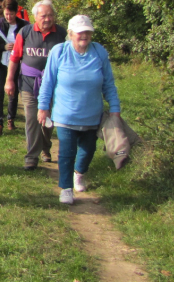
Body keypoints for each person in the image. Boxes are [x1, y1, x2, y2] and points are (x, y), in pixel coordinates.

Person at [37, 15, 121, 205]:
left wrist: (115, 108)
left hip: (92, 115)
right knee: (67, 151)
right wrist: (43, 107)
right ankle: (66, 188)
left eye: (87, 32)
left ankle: (79, 173)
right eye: (80, 32)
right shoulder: (59, 52)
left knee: (88, 149)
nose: (84, 35)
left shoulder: (99, 52)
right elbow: (47, 82)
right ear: (70, 34)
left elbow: (109, 83)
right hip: (65, 114)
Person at [5, 0, 67, 170]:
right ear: (35, 17)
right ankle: (31, 156)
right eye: (43, 16)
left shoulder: (61, 34)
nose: (47, 19)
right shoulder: (25, 32)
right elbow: (15, 58)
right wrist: (9, 80)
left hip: (54, 85)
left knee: (48, 120)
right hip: (29, 83)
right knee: (32, 119)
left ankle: (46, 147)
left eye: (50, 15)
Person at [0, 0, 28, 136]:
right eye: (6, 13)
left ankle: (11, 118)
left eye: (11, 14)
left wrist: (18, 48)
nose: (8, 17)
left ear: (16, 12)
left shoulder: (24, 26)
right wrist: (3, 46)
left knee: (13, 92)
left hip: (16, 64)